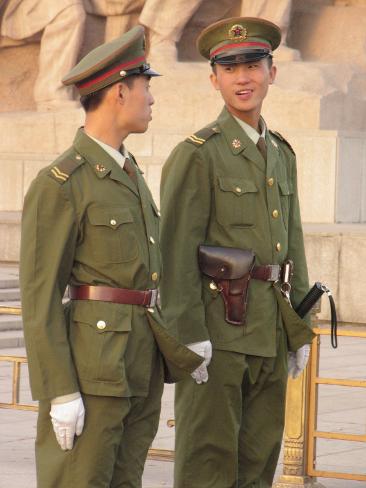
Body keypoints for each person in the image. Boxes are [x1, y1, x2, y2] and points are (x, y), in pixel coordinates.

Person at [19, 25, 202, 488]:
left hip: (137, 365)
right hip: (92, 370)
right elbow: (39, 299)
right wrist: (59, 389)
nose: (152, 100)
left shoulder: (130, 172)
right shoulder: (61, 183)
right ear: (120, 92)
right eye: (147, 88)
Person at [160, 17, 314, 488]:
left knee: (257, 463)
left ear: (273, 72)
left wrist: (300, 325)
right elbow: (174, 252)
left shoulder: (281, 152)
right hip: (218, 334)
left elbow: (294, 240)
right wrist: (188, 336)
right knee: (208, 464)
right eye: (230, 68)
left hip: (268, 331)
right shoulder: (198, 154)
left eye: (253, 65)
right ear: (214, 79)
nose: (243, 77)